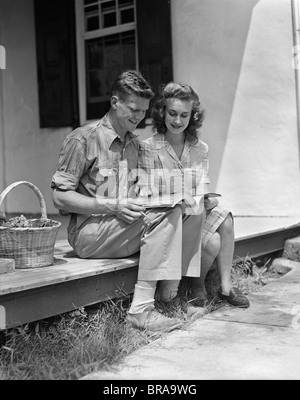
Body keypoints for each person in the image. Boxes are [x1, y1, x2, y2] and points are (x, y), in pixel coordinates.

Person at [51, 70, 205, 333]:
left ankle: (169, 296)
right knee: (165, 216)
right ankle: (141, 311)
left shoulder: (134, 145)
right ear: (114, 102)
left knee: (190, 209)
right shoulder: (83, 138)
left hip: (122, 227)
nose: (138, 117)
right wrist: (112, 206)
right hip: (89, 233)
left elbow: (140, 193)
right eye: (133, 109)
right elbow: (59, 197)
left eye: (143, 111)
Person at [138, 82, 250, 309]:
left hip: (196, 209)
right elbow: (146, 192)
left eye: (184, 115)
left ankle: (226, 287)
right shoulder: (149, 147)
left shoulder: (200, 148)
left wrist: (207, 197)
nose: (177, 121)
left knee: (224, 215)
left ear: (192, 116)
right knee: (213, 241)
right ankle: (196, 286)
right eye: (172, 113)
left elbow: (202, 183)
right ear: (162, 112)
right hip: (170, 215)